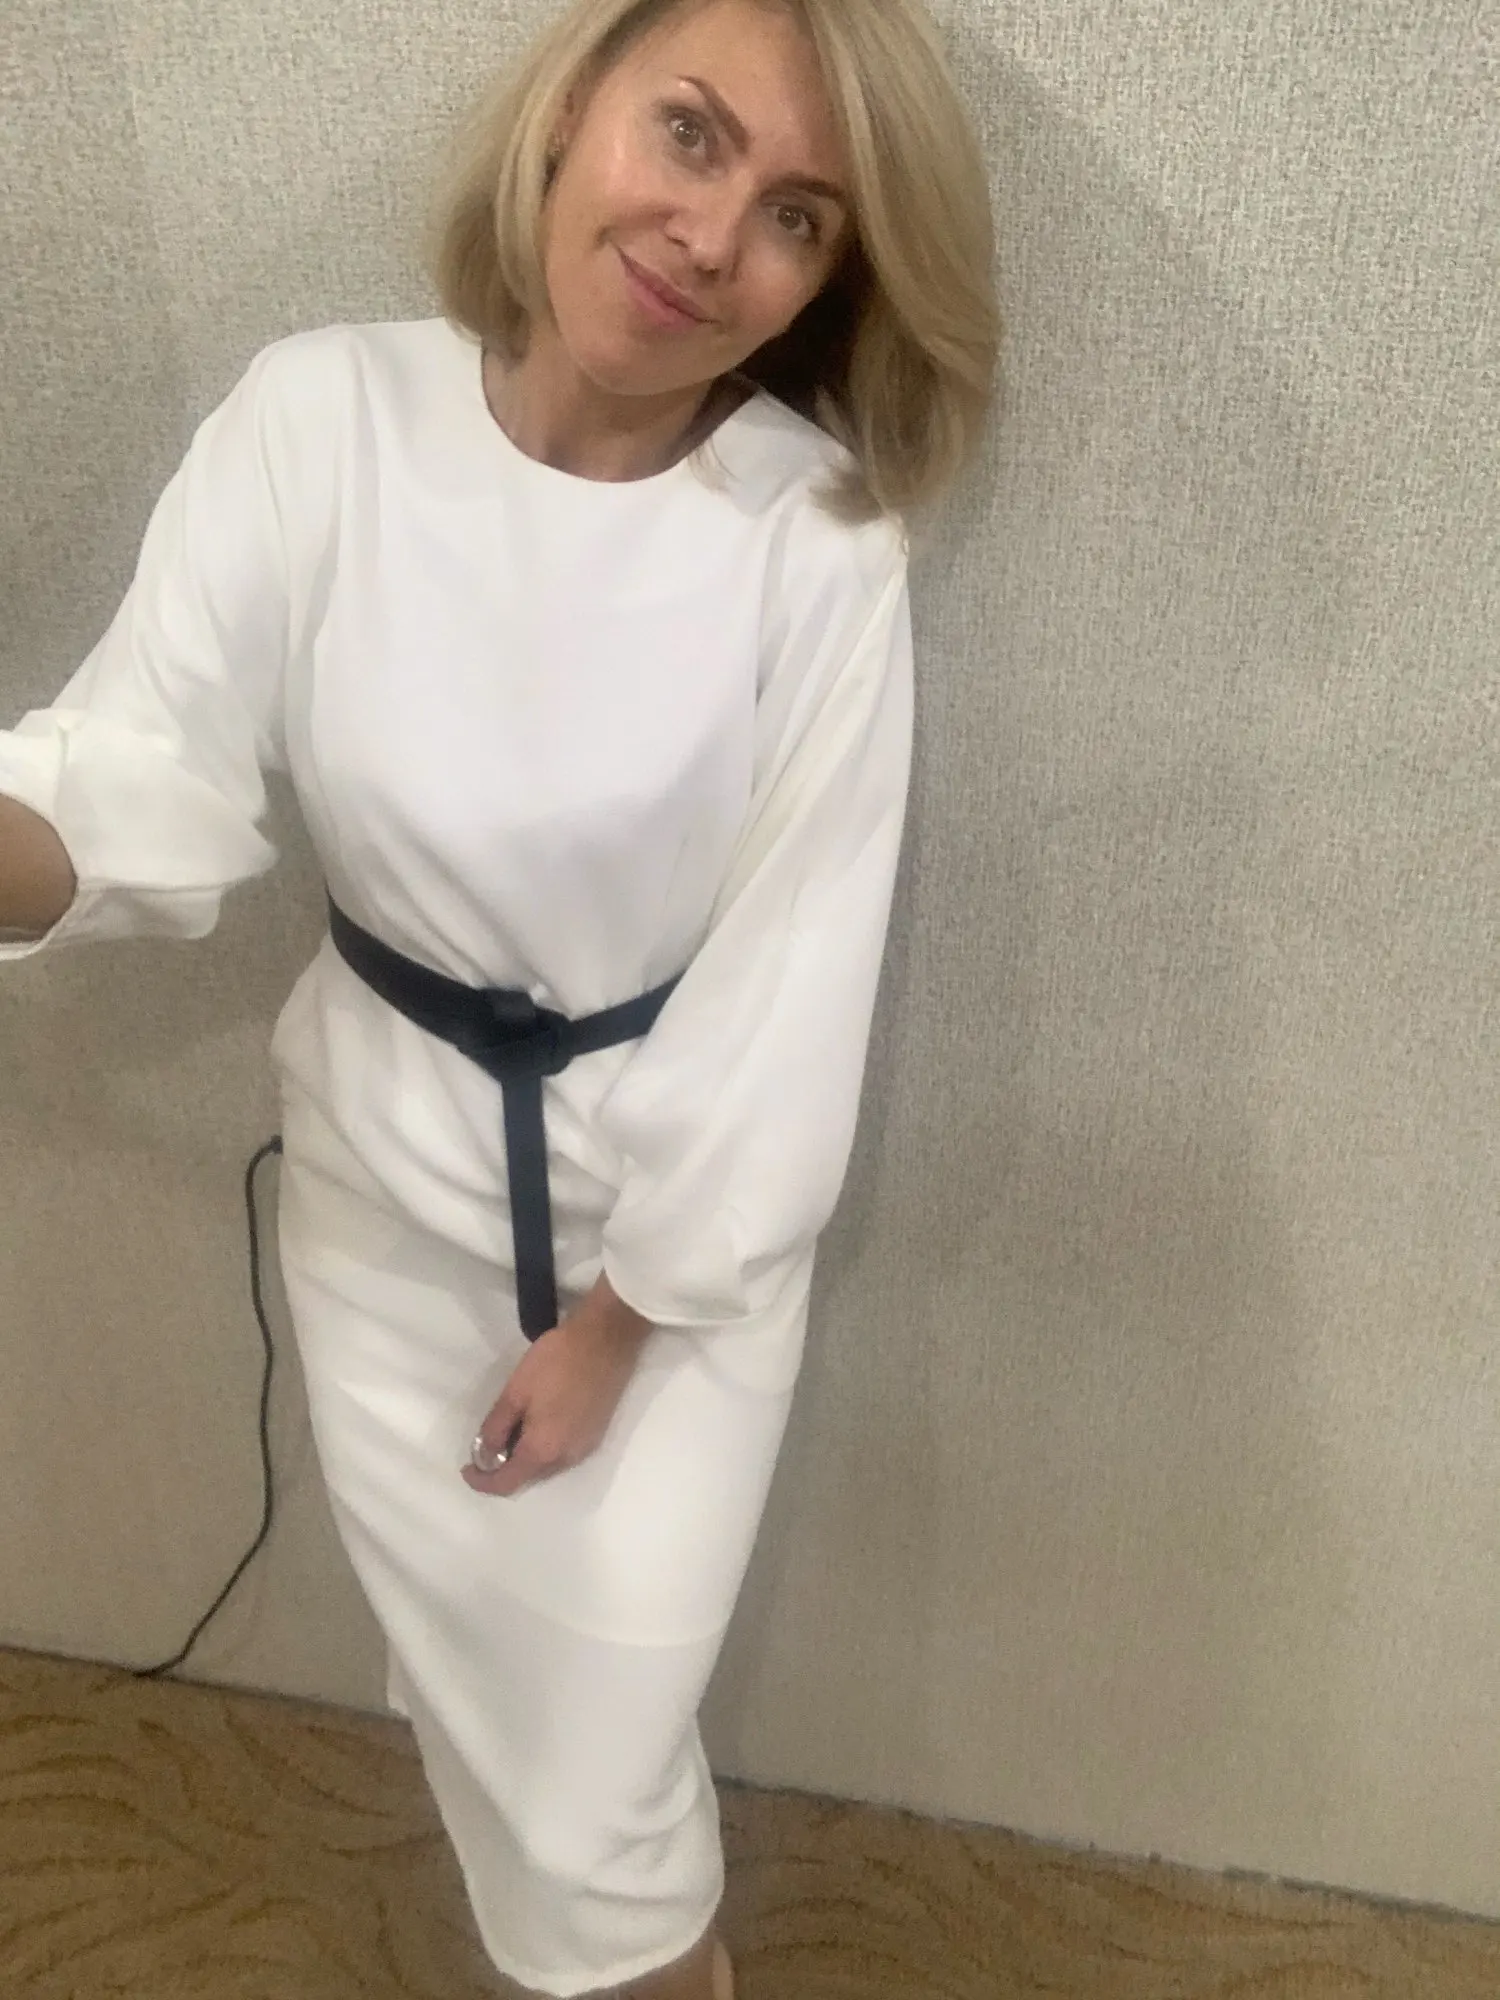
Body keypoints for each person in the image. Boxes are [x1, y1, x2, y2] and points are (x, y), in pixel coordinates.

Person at [0, 0, 998, 1990]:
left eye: (799, 215)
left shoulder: (818, 541)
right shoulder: (319, 422)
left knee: (596, 1785)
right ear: (570, 111)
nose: (715, 236)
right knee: (501, 1734)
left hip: (671, 1256)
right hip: (383, 1200)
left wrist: (619, 1325)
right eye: (692, 134)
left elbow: (795, 986)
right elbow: (137, 779)